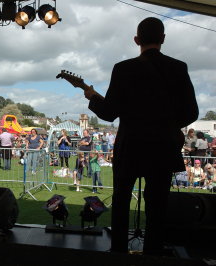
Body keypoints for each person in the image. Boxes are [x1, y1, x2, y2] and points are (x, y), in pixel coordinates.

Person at [80, 17, 198, 254]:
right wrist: (168, 125)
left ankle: (119, 252)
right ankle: (153, 253)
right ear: (163, 39)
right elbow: (191, 112)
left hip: (131, 146)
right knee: (157, 206)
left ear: (136, 40)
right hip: (163, 148)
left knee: (122, 202)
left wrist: (91, 95)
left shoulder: (123, 69)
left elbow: (109, 113)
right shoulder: (179, 67)